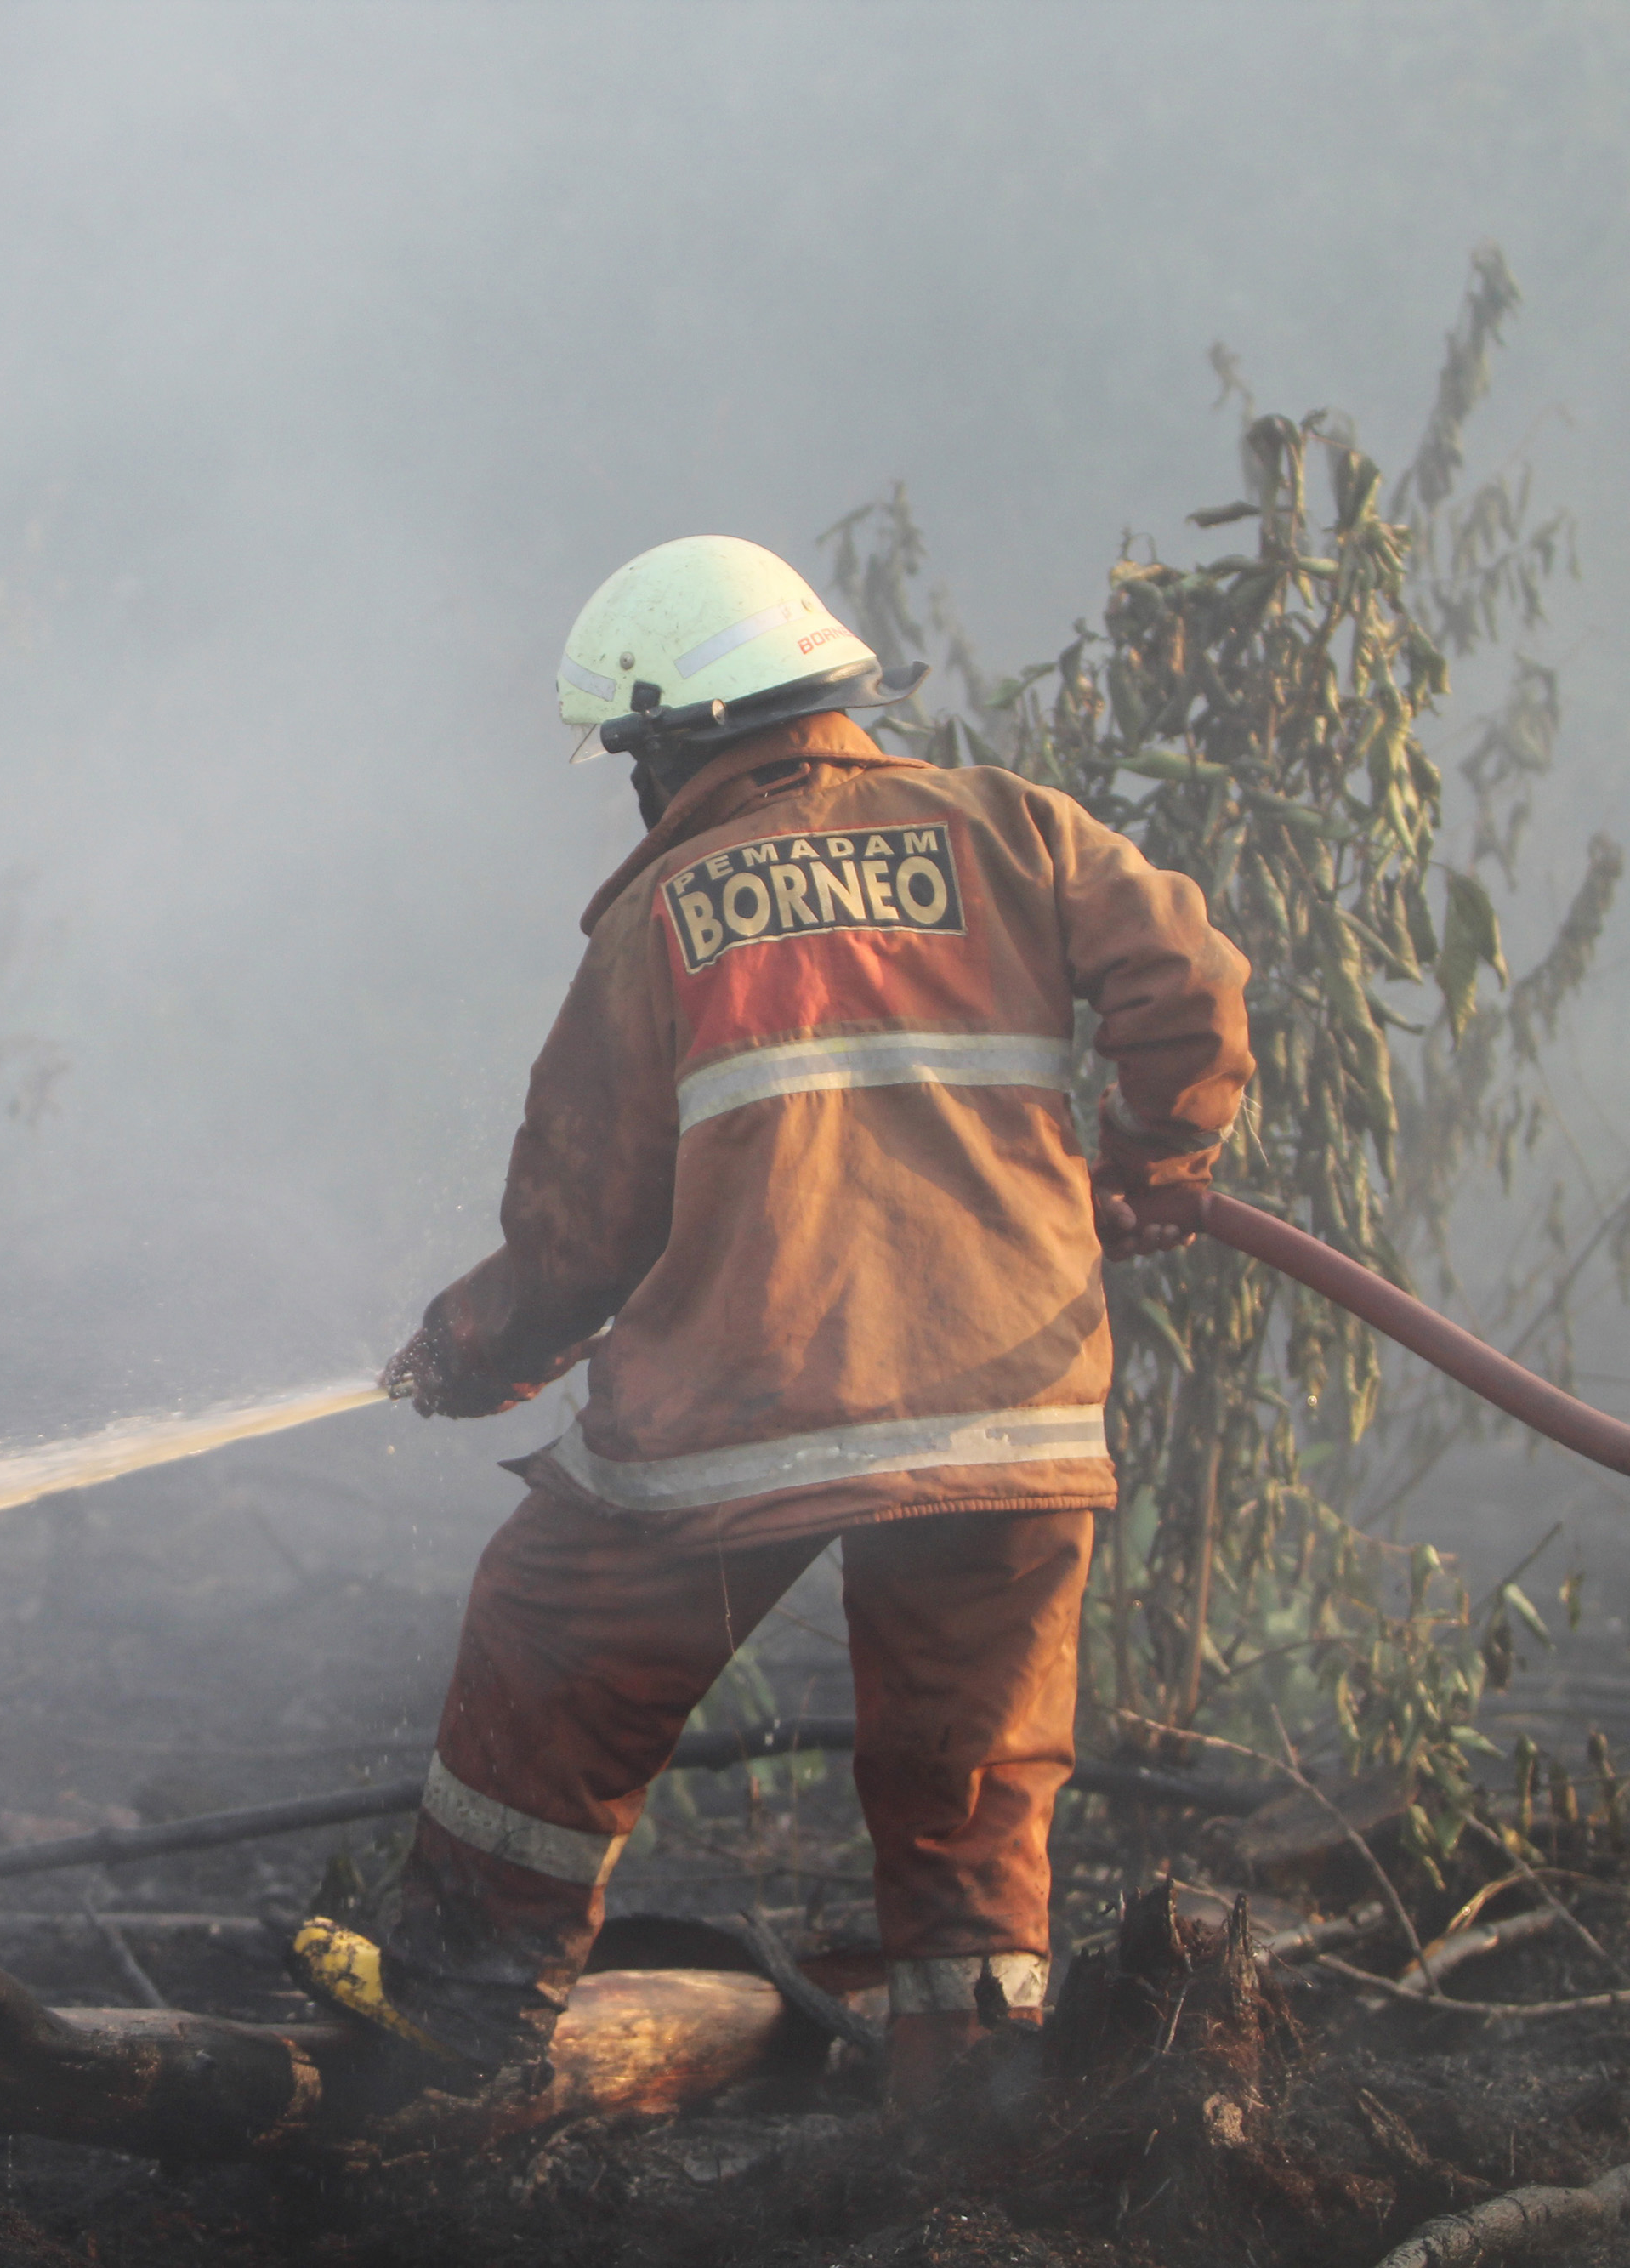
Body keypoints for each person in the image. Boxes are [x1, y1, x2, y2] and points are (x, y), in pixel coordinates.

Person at [291, 535, 1253, 2108]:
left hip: (744, 1414)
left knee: (550, 1636)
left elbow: (582, 1224)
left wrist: (478, 1347)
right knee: (969, 1777)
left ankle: (463, 2016)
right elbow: (1189, 980)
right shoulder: (1015, 828)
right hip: (1009, 1415)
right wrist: (1152, 1165)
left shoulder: (665, 912)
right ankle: (971, 2100)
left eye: (632, 755)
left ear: (677, 738)